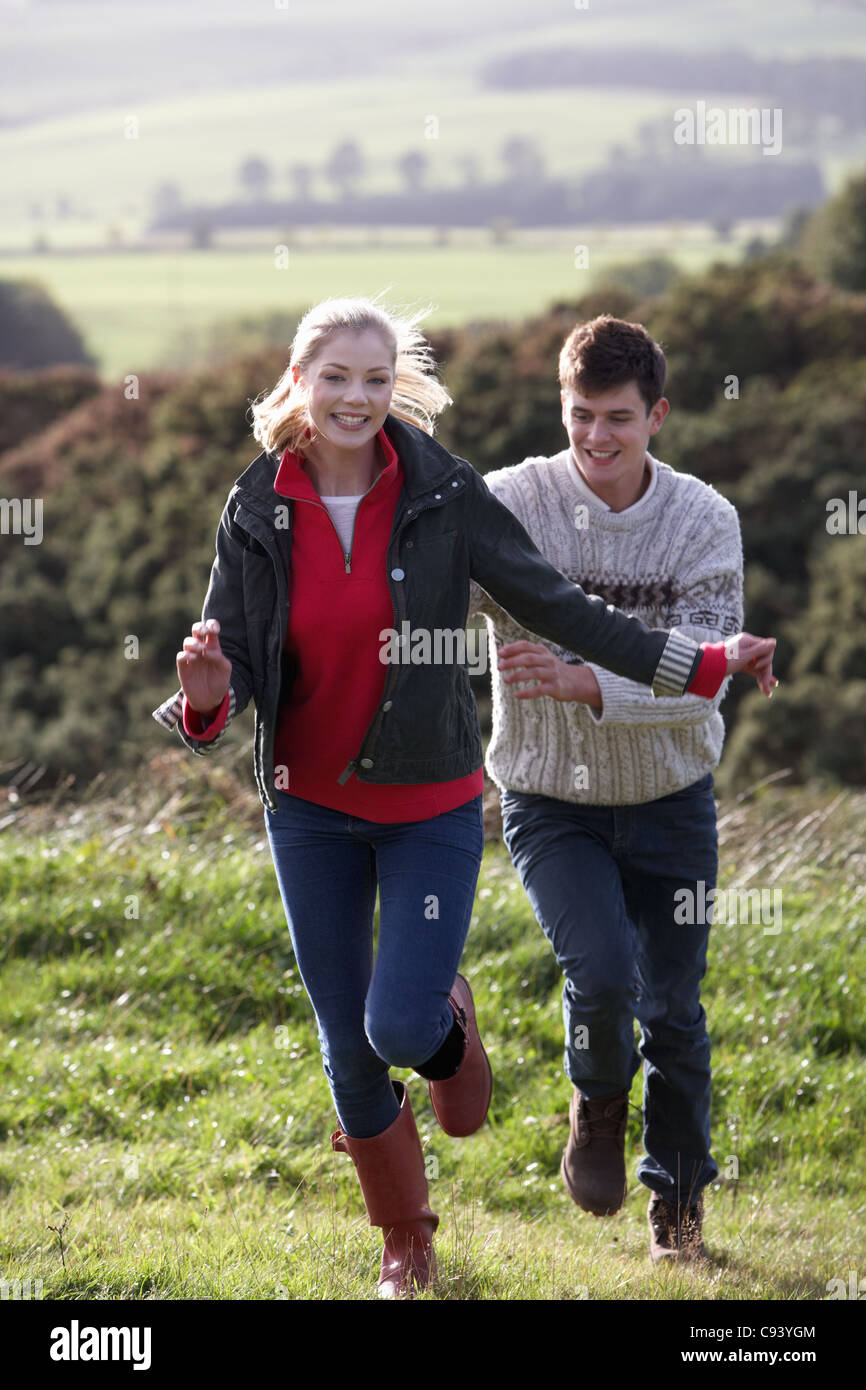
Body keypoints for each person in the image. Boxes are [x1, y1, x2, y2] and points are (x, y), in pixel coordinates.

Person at [152, 297, 776, 1297]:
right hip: (305, 804)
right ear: (298, 383)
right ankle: (406, 1240)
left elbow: (563, 609)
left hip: (428, 802)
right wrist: (205, 703)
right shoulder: (257, 505)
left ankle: (454, 1034)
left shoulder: (443, 497)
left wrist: (696, 663)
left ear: (393, 385)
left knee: (398, 1027)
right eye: (334, 377)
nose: (354, 397)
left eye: (373, 378)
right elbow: (235, 661)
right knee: (344, 1040)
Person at [469, 313, 771, 1264]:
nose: (596, 438)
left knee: (673, 1010)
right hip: (549, 795)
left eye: (618, 418)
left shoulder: (702, 520)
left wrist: (595, 680)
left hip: (672, 799)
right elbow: (413, 582)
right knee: (600, 975)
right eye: (579, 415)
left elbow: (703, 683)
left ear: (659, 416)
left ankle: (677, 1209)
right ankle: (598, 1108)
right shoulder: (510, 501)